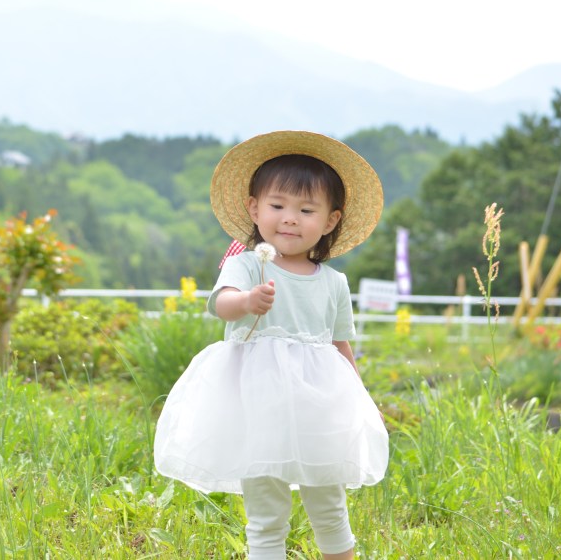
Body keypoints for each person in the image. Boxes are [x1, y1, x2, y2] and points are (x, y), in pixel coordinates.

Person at [153, 130, 388, 560]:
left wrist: (360, 402)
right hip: (257, 407)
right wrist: (247, 301)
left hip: (318, 410)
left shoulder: (333, 283)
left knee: (329, 507)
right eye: (278, 206)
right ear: (254, 208)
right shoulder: (247, 264)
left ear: (330, 221)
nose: (290, 219)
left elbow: (340, 346)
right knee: (265, 513)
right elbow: (221, 305)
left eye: (306, 210)